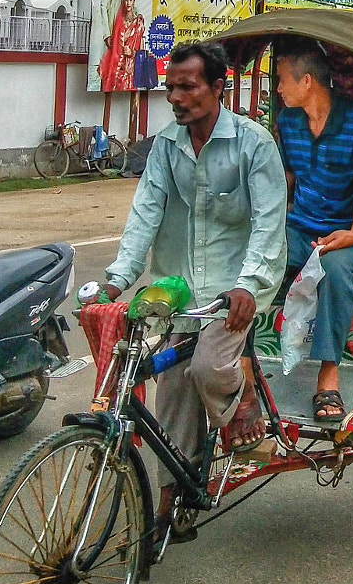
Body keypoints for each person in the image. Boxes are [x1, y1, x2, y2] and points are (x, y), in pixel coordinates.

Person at [98, 41, 287, 536]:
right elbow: (145, 213)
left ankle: (242, 398)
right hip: (183, 288)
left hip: (238, 286)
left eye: (188, 86)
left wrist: (248, 285)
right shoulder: (165, 145)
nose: (177, 98)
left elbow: (269, 222)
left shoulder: (253, 142)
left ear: (217, 86)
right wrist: (116, 280)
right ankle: (168, 504)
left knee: (207, 366)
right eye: (170, 89)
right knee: (174, 388)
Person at [274, 39, 353, 425]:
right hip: (301, 225)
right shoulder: (288, 122)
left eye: (281, 80)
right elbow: (287, 176)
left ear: (306, 81)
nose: (277, 89)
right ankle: (242, 363)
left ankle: (329, 375)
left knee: (336, 273)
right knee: (257, 260)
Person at [99, 0, 145, 92]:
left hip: (131, 72)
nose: (128, 3)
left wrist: (132, 52)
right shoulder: (118, 21)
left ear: (134, 1)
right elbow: (114, 47)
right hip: (117, 70)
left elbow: (141, 52)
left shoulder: (138, 23)